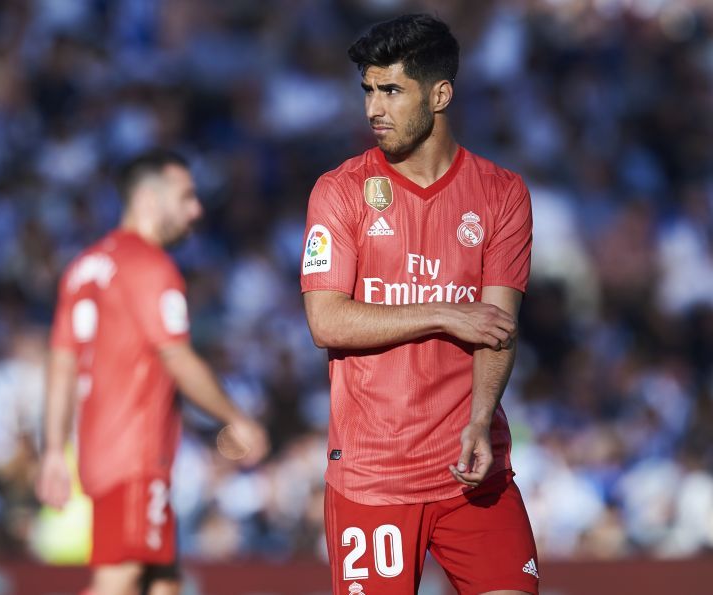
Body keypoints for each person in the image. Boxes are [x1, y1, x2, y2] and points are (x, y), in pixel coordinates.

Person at [301, 14, 538, 595]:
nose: (373, 109)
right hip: (373, 478)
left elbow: (497, 328)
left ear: (440, 94)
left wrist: (481, 419)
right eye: (367, 91)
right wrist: (441, 311)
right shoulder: (339, 190)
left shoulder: (501, 194)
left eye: (391, 91)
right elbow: (325, 320)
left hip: (471, 472)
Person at [37, 149, 269, 595]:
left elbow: (62, 362)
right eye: (185, 197)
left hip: (101, 450)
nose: (196, 210)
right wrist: (236, 417)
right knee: (119, 580)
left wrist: (53, 449)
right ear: (148, 199)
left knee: (163, 583)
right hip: (134, 451)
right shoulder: (150, 266)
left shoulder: (84, 267)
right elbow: (177, 357)